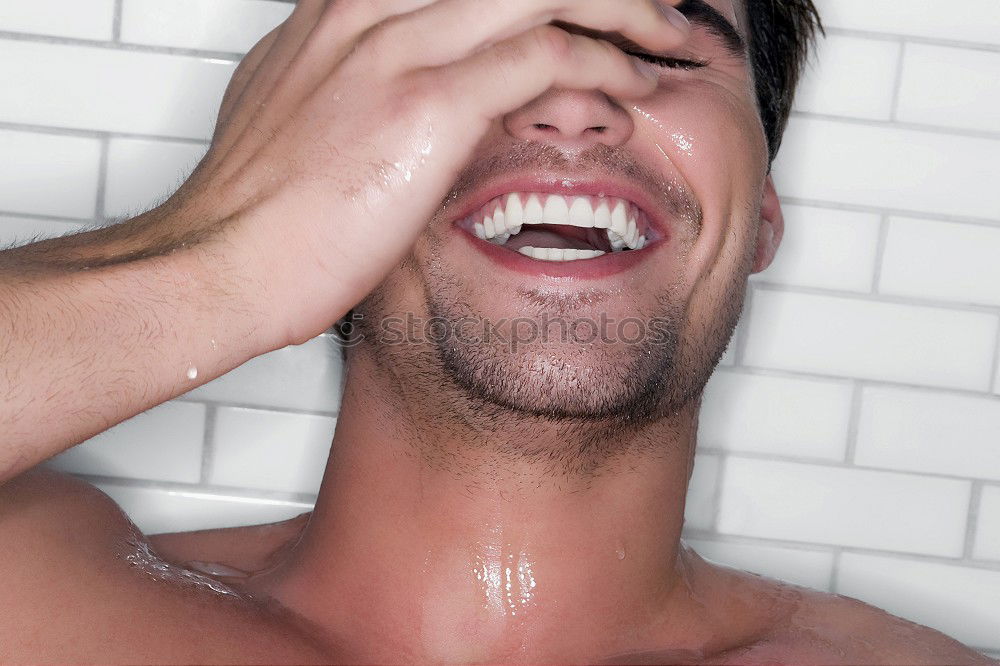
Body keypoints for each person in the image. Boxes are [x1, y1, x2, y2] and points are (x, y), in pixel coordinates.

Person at [0, 0, 993, 663]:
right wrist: (213, 264)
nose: (572, 105)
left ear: (762, 217)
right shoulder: (39, 599)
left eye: (659, 48)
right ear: (323, 166)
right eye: (480, 51)